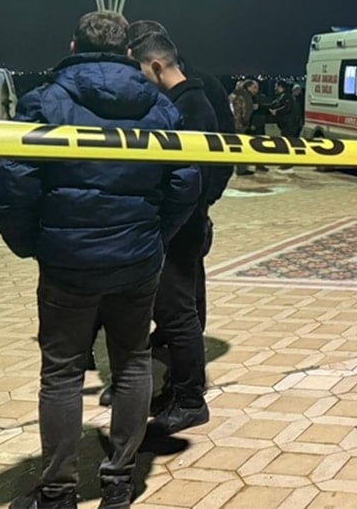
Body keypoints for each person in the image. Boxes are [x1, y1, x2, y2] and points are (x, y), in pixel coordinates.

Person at [0, 10, 200, 509]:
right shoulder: (158, 106)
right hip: (136, 261)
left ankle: (58, 492)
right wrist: (154, 236)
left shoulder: (45, 101)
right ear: (128, 52)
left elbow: (14, 183)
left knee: (62, 373)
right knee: (131, 363)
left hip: (67, 262)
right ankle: (119, 484)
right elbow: (185, 182)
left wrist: (34, 244)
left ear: (73, 47)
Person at [127, 26, 230, 433]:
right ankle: (177, 389)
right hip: (181, 224)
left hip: (182, 227)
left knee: (178, 313)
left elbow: (199, 176)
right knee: (175, 311)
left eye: (138, 70)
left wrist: (182, 218)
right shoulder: (183, 100)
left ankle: (190, 399)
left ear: (156, 65)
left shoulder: (191, 105)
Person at [229, 79, 259, 175]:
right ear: (248, 87)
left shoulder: (233, 94)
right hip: (240, 126)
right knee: (242, 148)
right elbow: (245, 113)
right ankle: (241, 169)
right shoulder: (246, 97)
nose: (256, 90)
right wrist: (247, 124)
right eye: (254, 87)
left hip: (231, 124)